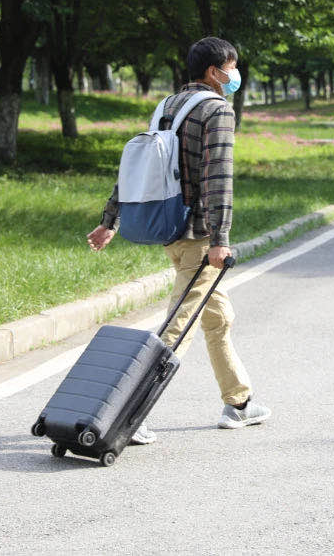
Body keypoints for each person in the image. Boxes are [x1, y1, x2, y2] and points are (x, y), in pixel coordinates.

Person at [86, 36, 271, 444]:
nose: (235, 75)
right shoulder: (217, 109)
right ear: (214, 71)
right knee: (179, 325)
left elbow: (138, 168)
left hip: (171, 227)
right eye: (232, 67)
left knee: (218, 317)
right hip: (200, 234)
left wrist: (111, 219)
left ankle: (238, 404)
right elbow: (218, 177)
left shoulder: (167, 106)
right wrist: (220, 238)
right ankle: (129, 413)